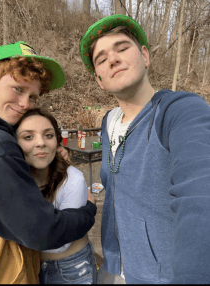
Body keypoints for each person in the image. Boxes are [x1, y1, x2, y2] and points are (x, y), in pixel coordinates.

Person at [79, 14, 210, 284]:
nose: (112, 59)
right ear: (99, 80)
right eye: (101, 59)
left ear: (145, 56)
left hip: (162, 276)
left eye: (122, 48)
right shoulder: (108, 122)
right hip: (117, 268)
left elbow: (201, 195)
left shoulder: (180, 111)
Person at [0, 41, 96, 283]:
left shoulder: (3, 138)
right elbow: (42, 231)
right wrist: (89, 211)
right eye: (18, 89)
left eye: (33, 96)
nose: (26, 103)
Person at [15, 107, 97, 284]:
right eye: (28, 137)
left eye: (48, 135)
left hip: (70, 269)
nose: (40, 143)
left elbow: (60, 242)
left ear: (57, 142)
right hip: (30, 266)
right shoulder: (12, 178)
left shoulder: (72, 179)